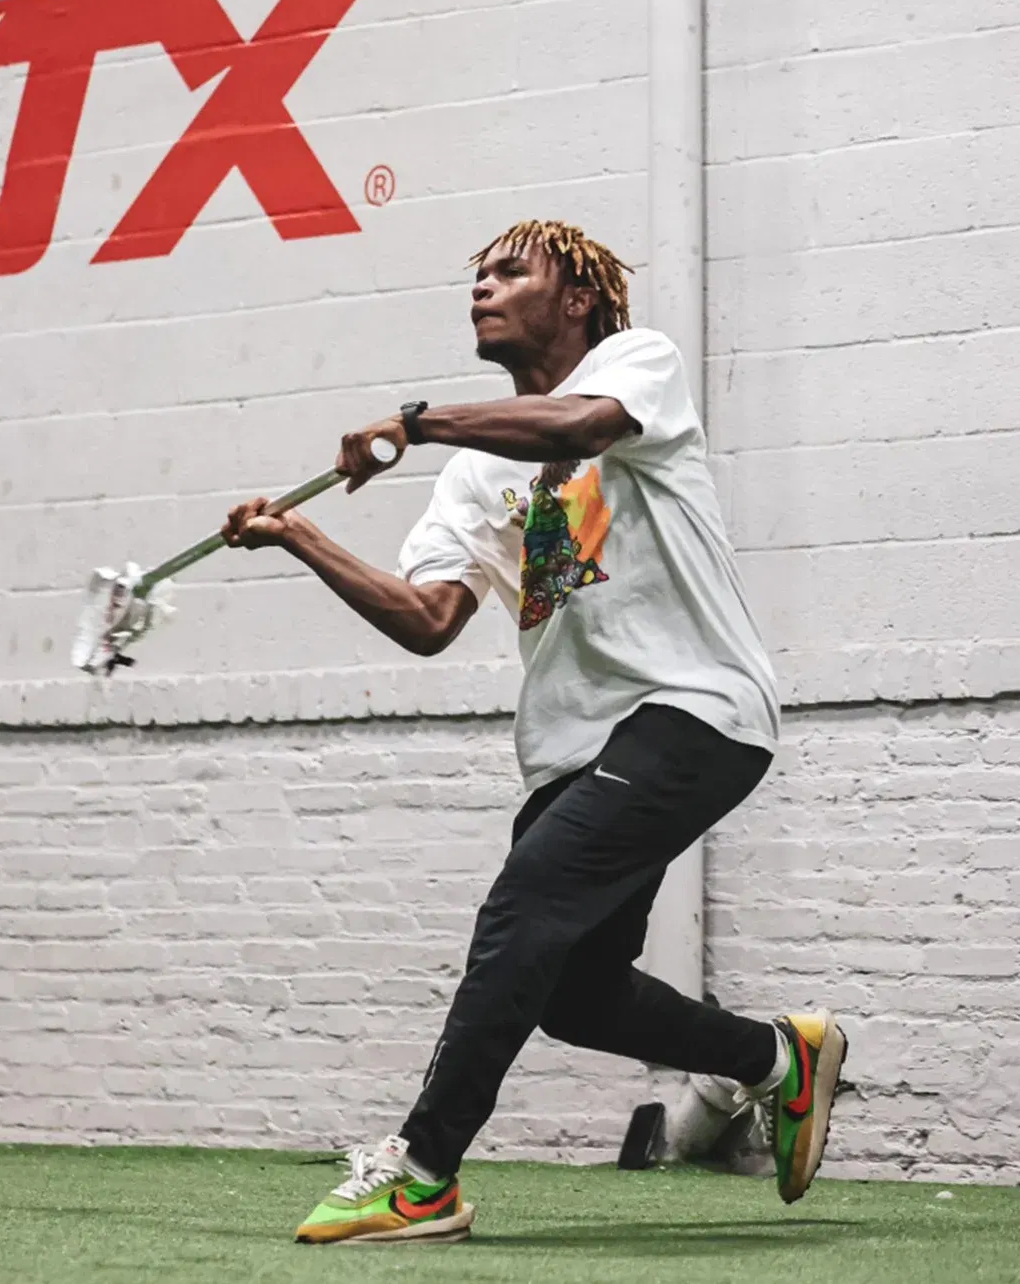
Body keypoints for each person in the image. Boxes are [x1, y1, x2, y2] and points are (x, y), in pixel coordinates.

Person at [221, 220, 847, 1245]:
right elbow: (428, 620)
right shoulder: (473, 471)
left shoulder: (635, 365)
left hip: (696, 709)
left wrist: (418, 423)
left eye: (510, 272)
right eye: (474, 275)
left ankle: (421, 1179)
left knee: (524, 906)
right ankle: (779, 1059)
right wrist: (301, 536)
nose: (482, 288)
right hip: (575, 747)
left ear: (577, 300)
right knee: (575, 995)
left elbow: (579, 430)